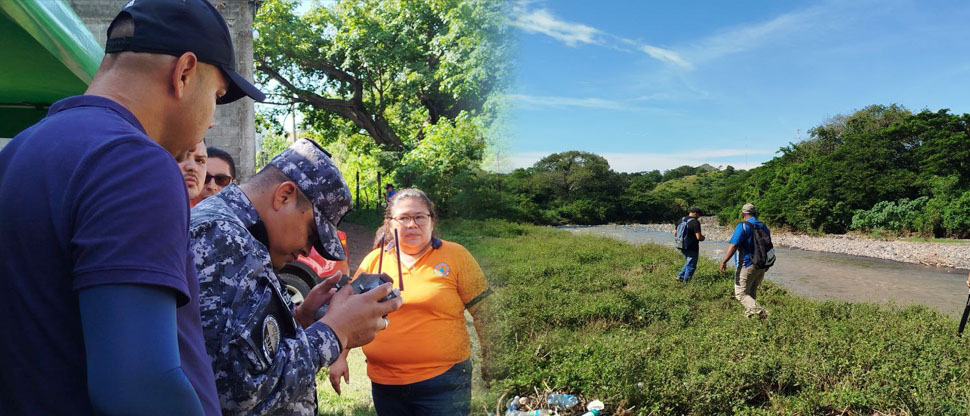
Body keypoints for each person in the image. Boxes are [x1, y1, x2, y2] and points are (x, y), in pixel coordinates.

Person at [0, 0, 265, 414]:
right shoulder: (134, 161)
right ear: (184, 73)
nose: (212, 121)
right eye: (216, 95)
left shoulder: (19, 150)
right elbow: (140, 388)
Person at [190, 138, 402, 415]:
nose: (307, 250)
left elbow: (239, 351)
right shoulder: (222, 237)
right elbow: (236, 393)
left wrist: (299, 320)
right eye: (312, 233)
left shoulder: (240, 233)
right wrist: (336, 332)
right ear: (284, 195)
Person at [329, 188, 493, 416]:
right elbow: (350, 313)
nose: (412, 224)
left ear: (432, 221)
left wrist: (491, 357)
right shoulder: (374, 261)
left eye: (419, 217)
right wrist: (340, 357)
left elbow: (485, 312)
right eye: (403, 218)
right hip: (385, 384)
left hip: (444, 383)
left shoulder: (456, 256)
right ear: (390, 223)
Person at [719, 203, 770, 318]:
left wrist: (724, 261)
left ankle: (763, 312)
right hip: (761, 265)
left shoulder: (743, 226)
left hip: (747, 264)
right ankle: (753, 319)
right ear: (755, 214)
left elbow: (733, 245)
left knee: (741, 294)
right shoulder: (763, 226)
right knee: (751, 294)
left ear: (743, 214)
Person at [674, 206, 705, 283]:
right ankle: (686, 282)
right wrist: (703, 238)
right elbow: (698, 237)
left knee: (689, 261)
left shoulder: (681, 220)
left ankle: (680, 276)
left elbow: (675, 233)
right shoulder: (695, 222)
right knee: (691, 265)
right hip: (692, 247)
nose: (699, 217)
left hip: (681, 245)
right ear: (695, 213)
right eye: (698, 215)